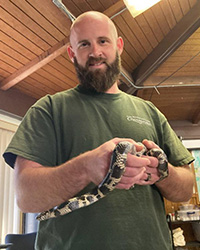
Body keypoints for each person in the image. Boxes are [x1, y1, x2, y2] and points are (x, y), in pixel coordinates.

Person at [3, 11, 194, 250]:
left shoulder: (151, 112)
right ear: (72, 54)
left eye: (103, 41)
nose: (95, 52)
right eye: (84, 44)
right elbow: (26, 197)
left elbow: (186, 189)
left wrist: (163, 172)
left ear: (119, 45)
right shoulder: (48, 110)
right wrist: (86, 168)